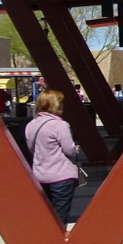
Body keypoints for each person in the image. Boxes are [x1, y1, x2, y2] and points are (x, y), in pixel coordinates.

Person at [24, 89, 80, 225]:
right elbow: (69, 150)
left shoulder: (31, 125)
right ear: (56, 105)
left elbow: (31, 148)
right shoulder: (60, 125)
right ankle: (59, 243)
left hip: (40, 175)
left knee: (48, 215)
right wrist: (75, 149)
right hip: (61, 176)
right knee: (61, 215)